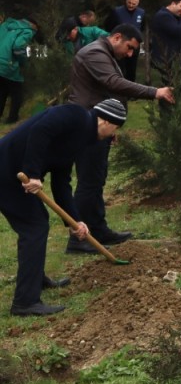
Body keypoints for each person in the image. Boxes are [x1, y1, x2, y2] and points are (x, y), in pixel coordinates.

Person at [1, 99, 127, 316]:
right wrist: (32, 173)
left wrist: (74, 221)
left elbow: (61, 183)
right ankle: (25, 302)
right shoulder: (75, 114)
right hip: (6, 171)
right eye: (115, 128)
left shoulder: (77, 141)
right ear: (105, 121)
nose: (112, 136)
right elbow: (41, 130)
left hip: (14, 177)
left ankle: (35, 280)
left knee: (36, 223)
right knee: (35, 227)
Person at [66, 25, 175, 252]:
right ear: (117, 37)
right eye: (129, 48)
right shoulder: (95, 53)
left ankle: (98, 230)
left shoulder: (103, 52)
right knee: (88, 182)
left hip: (96, 125)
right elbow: (113, 83)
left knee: (96, 180)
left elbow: (103, 92)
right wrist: (154, 92)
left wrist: (108, 127)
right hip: (86, 125)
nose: (129, 54)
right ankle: (78, 240)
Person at [0, 14, 39, 124]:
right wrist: (23, 62)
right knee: (17, 93)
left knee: (2, 91)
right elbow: (18, 47)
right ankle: (12, 118)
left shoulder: (5, 26)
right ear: (33, 26)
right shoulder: (28, 30)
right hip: (9, 64)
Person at [104, 0, 145, 80]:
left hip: (134, 45)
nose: (131, 5)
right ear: (126, 1)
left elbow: (142, 27)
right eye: (129, 2)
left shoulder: (141, 13)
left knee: (132, 68)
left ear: (137, 3)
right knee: (119, 67)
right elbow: (108, 26)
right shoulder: (117, 11)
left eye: (133, 4)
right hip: (120, 44)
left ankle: (131, 88)